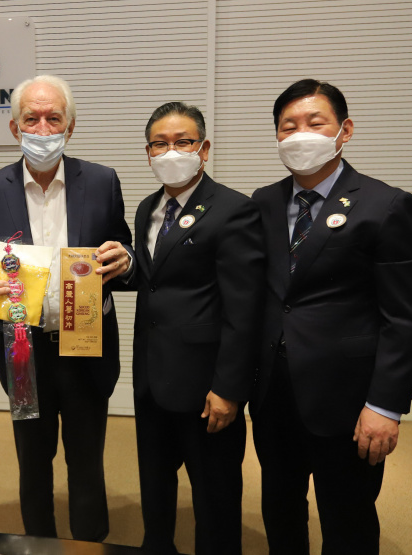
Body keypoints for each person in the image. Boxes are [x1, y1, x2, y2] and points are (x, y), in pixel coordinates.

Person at [249, 79, 412, 554]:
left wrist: (385, 406)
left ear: (344, 130)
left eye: (315, 122)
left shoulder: (386, 206)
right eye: (288, 126)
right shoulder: (263, 202)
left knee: (347, 520)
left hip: (347, 403)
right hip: (273, 395)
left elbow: (405, 317)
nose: (300, 134)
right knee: (281, 510)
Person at [0, 75, 133, 541]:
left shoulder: (101, 181)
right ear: (15, 128)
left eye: (53, 118)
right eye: (31, 119)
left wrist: (125, 258)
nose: (42, 128)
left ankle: (89, 545)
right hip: (23, 351)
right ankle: (38, 546)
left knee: (87, 463)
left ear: (71, 126)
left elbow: (123, 246)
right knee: (32, 464)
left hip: (86, 346)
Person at [131, 102, 264, 555]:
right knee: (155, 485)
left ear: (203, 148)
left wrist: (229, 388)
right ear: (147, 152)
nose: (171, 152)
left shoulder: (233, 210)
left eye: (183, 142)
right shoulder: (148, 208)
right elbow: (157, 280)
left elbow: (244, 310)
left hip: (206, 386)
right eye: (160, 144)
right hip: (151, 378)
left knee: (215, 496)